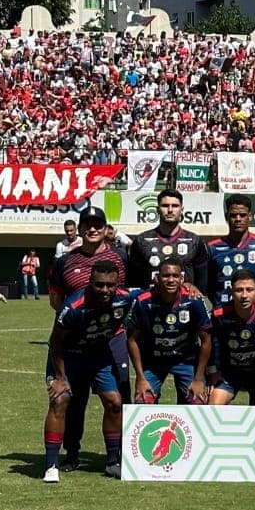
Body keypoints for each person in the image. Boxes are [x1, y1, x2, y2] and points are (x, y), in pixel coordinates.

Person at [46, 207, 128, 469]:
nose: (93, 229)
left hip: (111, 337)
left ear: (106, 228)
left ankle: (117, 456)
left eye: (98, 225)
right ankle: (71, 454)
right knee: (74, 399)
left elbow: (132, 295)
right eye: (88, 225)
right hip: (74, 340)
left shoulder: (121, 258)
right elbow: (56, 300)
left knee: (118, 396)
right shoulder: (65, 261)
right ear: (80, 229)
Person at [42, 260, 133, 482]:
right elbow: (56, 344)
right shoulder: (72, 307)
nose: (105, 290)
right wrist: (61, 378)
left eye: (110, 285)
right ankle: (51, 465)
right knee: (60, 400)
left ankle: (113, 462)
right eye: (99, 285)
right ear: (90, 282)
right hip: (68, 357)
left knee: (114, 401)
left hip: (99, 356)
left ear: (117, 283)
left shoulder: (126, 298)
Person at [127, 257, 212, 405]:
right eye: (166, 276)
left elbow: (206, 340)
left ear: (182, 279)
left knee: (196, 401)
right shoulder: (143, 301)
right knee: (142, 401)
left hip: (186, 360)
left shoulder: (194, 301)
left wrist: (198, 379)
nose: (171, 280)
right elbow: (132, 340)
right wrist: (140, 378)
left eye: (175, 276)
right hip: (153, 361)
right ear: (157, 278)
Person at [208, 270, 255, 406]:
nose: (244, 295)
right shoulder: (218, 315)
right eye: (239, 290)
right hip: (232, 373)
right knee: (214, 403)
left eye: (249, 290)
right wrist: (213, 372)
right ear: (231, 292)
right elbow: (211, 344)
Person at [127, 187, 209, 292]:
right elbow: (133, 282)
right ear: (157, 209)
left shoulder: (195, 241)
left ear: (181, 210)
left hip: (184, 305)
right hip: (151, 305)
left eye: (175, 206)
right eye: (165, 206)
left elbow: (201, 286)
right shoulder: (141, 241)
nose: (170, 210)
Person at [205, 194, 255, 307]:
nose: (238, 219)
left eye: (242, 215)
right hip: (224, 312)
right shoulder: (212, 247)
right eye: (233, 215)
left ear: (250, 216)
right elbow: (209, 285)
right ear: (226, 216)